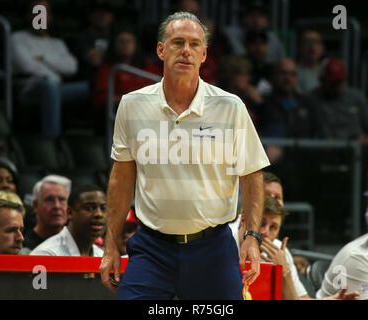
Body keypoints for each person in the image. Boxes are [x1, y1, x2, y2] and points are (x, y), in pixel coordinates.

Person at [100, 11, 269, 300]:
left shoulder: (230, 107)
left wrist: (251, 237)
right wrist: (110, 245)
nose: (186, 51)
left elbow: (252, 175)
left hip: (213, 248)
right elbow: (121, 178)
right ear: (161, 50)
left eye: (194, 44)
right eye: (178, 42)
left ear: (204, 55)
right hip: (152, 247)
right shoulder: (131, 105)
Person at [231, 171, 359, 300]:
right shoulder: (224, 241)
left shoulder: (279, 251)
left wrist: (284, 271)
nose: (265, 232)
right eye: (266, 195)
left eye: (277, 198)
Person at [11, 0, 89, 137]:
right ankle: (52, 139)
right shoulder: (17, 38)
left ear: (50, 17)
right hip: (28, 87)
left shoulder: (57, 43)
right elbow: (27, 66)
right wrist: (55, 73)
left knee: (91, 88)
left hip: (57, 87)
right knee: (51, 85)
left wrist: (43, 58)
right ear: (28, 16)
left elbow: (72, 67)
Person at [307, 58, 368, 144]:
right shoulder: (311, 100)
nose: (337, 86)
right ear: (321, 81)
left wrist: (361, 142)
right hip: (325, 150)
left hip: (356, 150)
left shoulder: (356, 98)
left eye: (340, 82)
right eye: (333, 83)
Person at [30, 184, 106, 256]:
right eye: (89, 208)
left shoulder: (101, 255)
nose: (99, 214)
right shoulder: (47, 254)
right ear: (70, 213)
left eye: (103, 208)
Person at [92, 26, 154, 111]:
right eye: (121, 41)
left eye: (129, 41)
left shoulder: (148, 67)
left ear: (135, 45)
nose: (125, 44)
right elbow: (102, 99)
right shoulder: (107, 70)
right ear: (114, 45)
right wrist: (132, 99)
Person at [258, 58, 317, 140]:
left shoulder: (307, 104)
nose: (288, 79)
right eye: (283, 73)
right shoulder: (263, 104)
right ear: (273, 75)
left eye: (293, 74)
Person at [221, 2, 285, 64]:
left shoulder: (273, 38)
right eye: (252, 15)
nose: (256, 20)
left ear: (267, 21)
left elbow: (283, 62)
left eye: (261, 15)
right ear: (243, 18)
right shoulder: (231, 34)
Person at [22, 174, 71, 250]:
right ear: (35, 205)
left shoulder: (77, 245)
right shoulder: (23, 247)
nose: (57, 206)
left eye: (62, 200)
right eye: (50, 200)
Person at [70, 1, 114, 83]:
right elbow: (95, 61)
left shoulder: (115, 36)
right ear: (90, 16)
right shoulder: (82, 37)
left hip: (113, 81)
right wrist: (116, 55)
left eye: (106, 13)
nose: (103, 16)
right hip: (87, 82)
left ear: (111, 17)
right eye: (98, 13)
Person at [296, 29, 325, 94]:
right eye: (307, 42)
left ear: (322, 47)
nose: (312, 46)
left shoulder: (326, 71)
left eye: (316, 42)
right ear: (299, 47)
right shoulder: (292, 73)